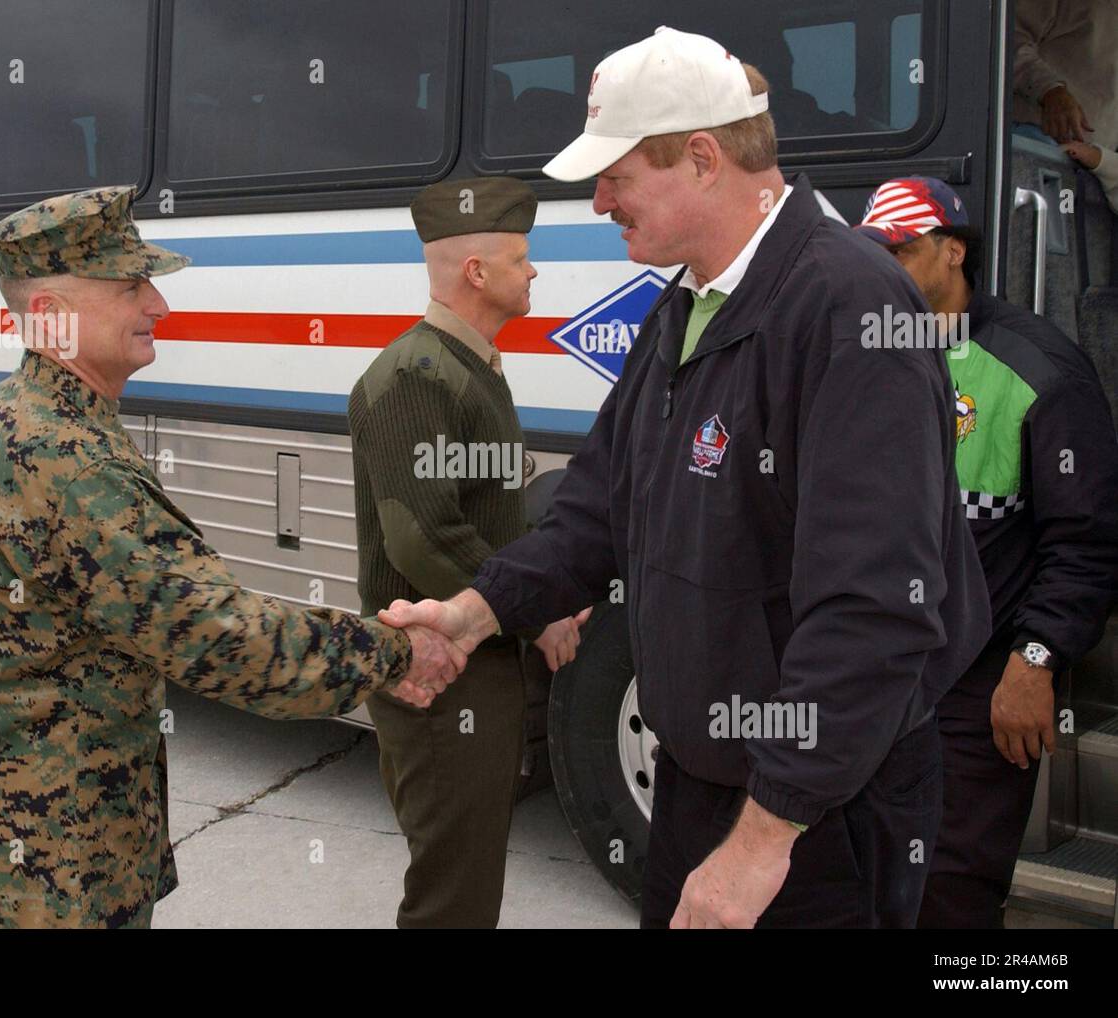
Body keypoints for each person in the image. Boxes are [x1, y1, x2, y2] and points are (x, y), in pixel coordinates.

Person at [381, 27, 992, 929]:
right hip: (702, 784)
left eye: (616, 178)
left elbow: (874, 610)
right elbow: (596, 510)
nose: (598, 204)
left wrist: (759, 844)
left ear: (703, 158)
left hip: (816, 816)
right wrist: (472, 615)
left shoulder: (849, 305)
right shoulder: (688, 301)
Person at [0, 186, 464, 929]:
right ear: (51, 318)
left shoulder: (4, 415)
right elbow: (224, 639)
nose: (158, 305)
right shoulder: (63, 459)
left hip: (2, 831)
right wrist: (395, 653)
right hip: (40, 864)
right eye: (130, 285)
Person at [855, 176, 1118, 928]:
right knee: (864, 876)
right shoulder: (863, 349)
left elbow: (1087, 542)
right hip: (872, 672)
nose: (883, 268)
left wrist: (1036, 660)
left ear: (954, 252)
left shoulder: (1039, 369)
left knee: (950, 889)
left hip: (978, 685)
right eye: (873, 253)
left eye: (901, 250)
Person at [348, 176, 589, 928]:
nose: (535, 271)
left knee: (470, 878)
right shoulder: (417, 376)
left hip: (472, 665)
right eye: (521, 258)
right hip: (438, 675)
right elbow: (423, 537)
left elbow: (485, 520)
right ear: (477, 273)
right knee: (453, 896)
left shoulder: (467, 366)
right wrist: (533, 614)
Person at [1013, 0, 1118, 212]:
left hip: (1097, 175)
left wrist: (1102, 161)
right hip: (1032, 146)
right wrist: (1051, 90)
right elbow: (1006, 40)